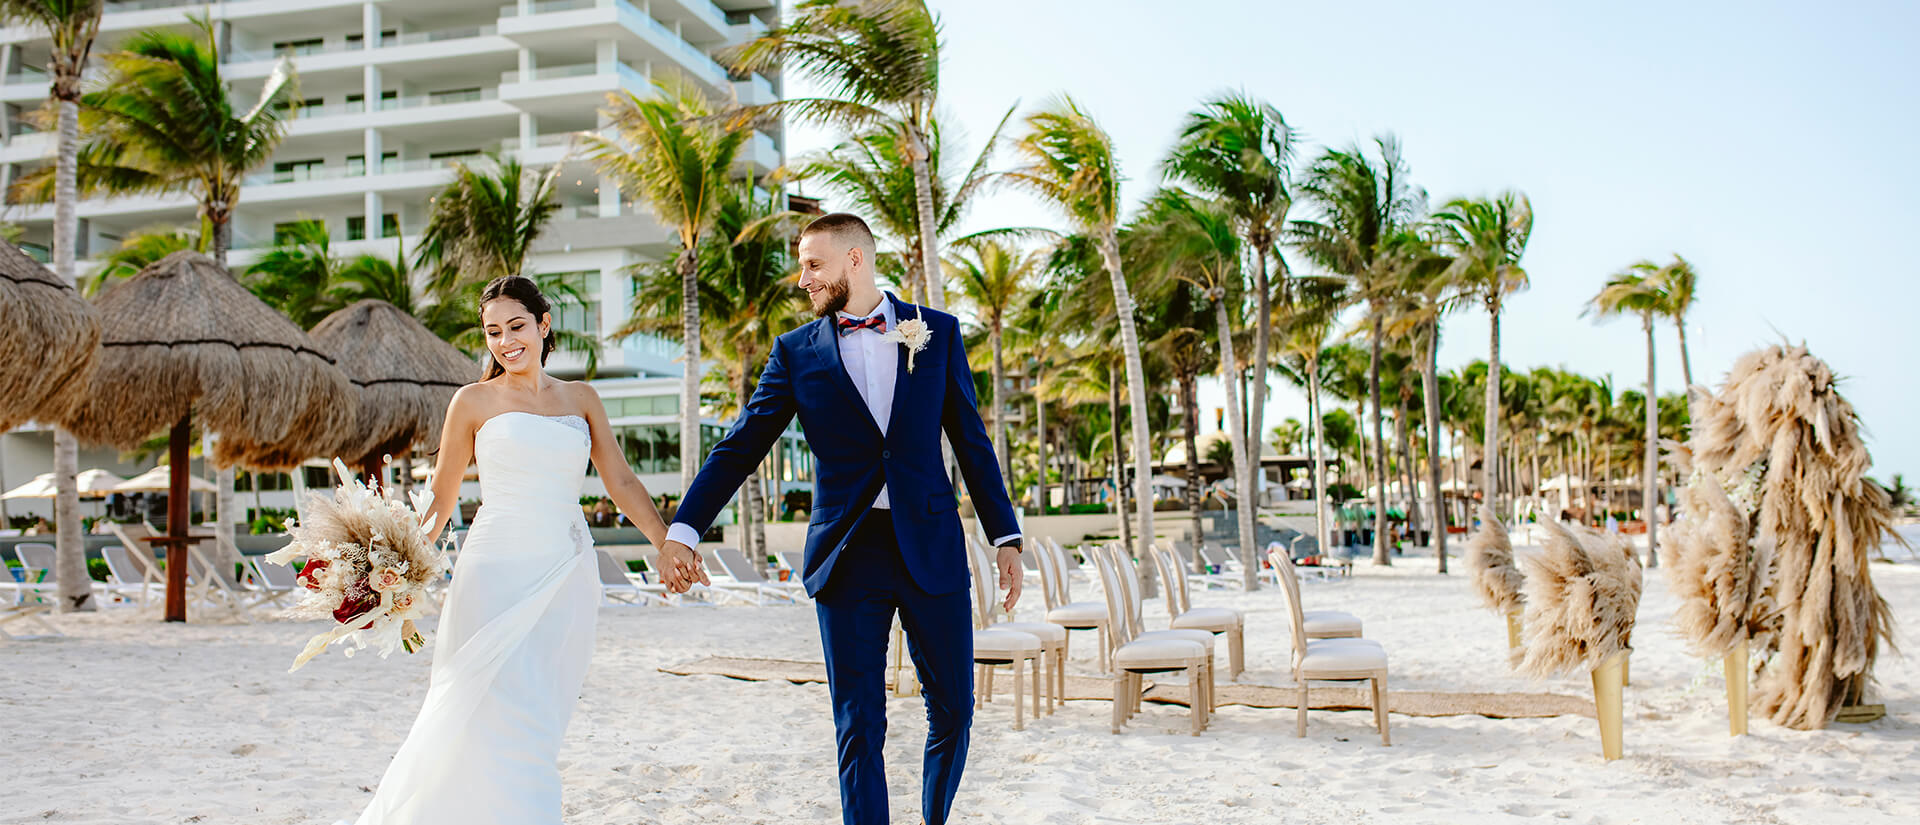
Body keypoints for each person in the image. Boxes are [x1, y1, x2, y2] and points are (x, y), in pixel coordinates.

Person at [654, 213, 1023, 825]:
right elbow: (742, 445)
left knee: (955, 710)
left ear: (856, 260)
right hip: (848, 555)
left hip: (931, 545)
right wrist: (683, 529)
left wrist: (1004, 535)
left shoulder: (936, 332)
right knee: (857, 722)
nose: (803, 279)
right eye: (802, 267)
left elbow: (971, 441)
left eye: (814, 265)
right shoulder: (796, 353)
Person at [336, 275, 669, 825]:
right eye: (493, 331)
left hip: (566, 572)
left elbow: (622, 481)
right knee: (479, 703)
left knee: (539, 710)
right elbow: (440, 500)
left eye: (516, 326)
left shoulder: (581, 399)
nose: (505, 340)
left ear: (543, 326)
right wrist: (387, 564)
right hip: (491, 573)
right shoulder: (472, 401)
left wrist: (666, 543)